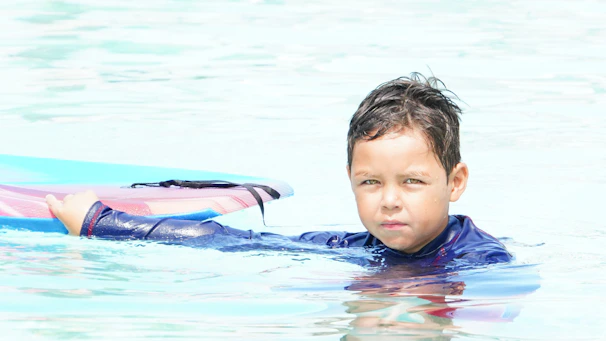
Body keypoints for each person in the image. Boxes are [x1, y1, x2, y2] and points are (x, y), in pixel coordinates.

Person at [45, 73, 511, 267]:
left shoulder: (481, 264)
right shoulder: (358, 249)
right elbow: (239, 242)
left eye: (412, 182)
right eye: (370, 182)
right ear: (349, 180)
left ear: (456, 182)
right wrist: (103, 225)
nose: (389, 199)